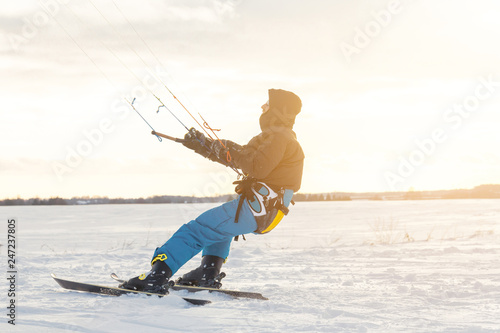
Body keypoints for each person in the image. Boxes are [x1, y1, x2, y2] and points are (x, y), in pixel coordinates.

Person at [120, 89, 305, 293]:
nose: (262, 107)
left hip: (257, 209)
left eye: (267, 104)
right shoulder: (277, 138)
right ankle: (207, 274)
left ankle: (158, 276)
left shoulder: (279, 138)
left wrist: (223, 148)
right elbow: (242, 156)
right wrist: (204, 144)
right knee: (220, 230)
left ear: (279, 110)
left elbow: (255, 166)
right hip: (262, 211)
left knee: (196, 230)